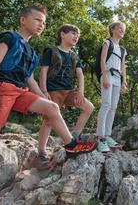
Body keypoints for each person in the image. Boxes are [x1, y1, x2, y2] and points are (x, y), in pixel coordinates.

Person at [0, 5, 88, 204]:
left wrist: (43, 96)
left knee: (52, 108)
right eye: (37, 20)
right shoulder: (9, 38)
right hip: (1, 87)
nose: (41, 24)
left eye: (43, 22)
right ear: (23, 20)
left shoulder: (31, 52)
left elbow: (29, 79)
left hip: (19, 91)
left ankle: (71, 145)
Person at [34, 24, 95, 169]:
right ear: (62, 34)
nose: (76, 37)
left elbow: (80, 74)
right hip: (53, 91)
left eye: (77, 35)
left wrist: (80, 92)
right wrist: (43, 90)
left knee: (88, 107)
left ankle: (73, 138)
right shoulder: (51, 51)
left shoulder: (74, 55)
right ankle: (41, 153)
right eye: (73, 33)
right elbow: (43, 71)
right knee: (48, 120)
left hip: (69, 92)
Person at [96, 21, 127, 153]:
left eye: (123, 29)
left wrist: (124, 81)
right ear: (112, 29)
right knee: (106, 104)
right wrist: (104, 76)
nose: (122, 30)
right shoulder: (107, 43)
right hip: (108, 74)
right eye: (120, 28)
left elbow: (123, 66)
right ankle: (100, 137)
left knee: (113, 107)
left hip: (117, 78)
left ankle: (108, 136)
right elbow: (103, 60)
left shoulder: (122, 49)